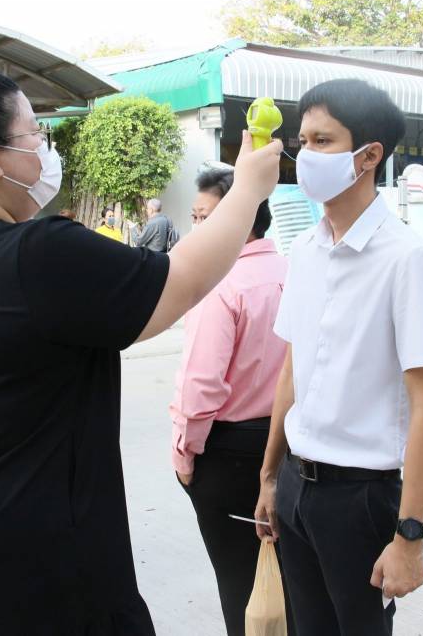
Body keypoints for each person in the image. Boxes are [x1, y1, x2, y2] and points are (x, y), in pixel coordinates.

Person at [0, 69, 282, 635]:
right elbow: (180, 281)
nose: (46, 149)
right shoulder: (35, 254)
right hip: (15, 562)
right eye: (34, 134)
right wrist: (248, 190)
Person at [253, 78, 423, 636]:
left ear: (368, 156)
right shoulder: (305, 249)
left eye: (323, 141)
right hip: (296, 484)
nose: (305, 154)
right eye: (303, 140)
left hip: (359, 495)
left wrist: (410, 535)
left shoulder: (407, 258)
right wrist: (269, 477)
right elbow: (292, 369)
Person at [170, 164, 289, 636]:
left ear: (243, 216)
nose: (198, 227)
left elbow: (201, 387)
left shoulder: (221, 284)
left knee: (243, 585)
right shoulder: (294, 272)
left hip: (232, 453)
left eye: (207, 217)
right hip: (293, 446)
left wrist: (184, 455)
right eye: (196, 217)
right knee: (289, 582)